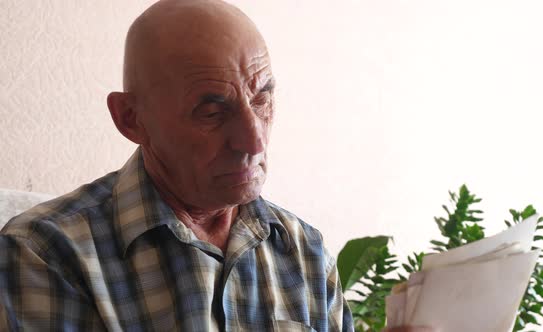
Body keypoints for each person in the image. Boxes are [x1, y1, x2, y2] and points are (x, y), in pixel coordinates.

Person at [0, 0, 435, 331]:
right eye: (211, 111)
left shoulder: (304, 251)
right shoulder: (45, 254)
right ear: (131, 119)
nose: (255, 139)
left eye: (262, 97)